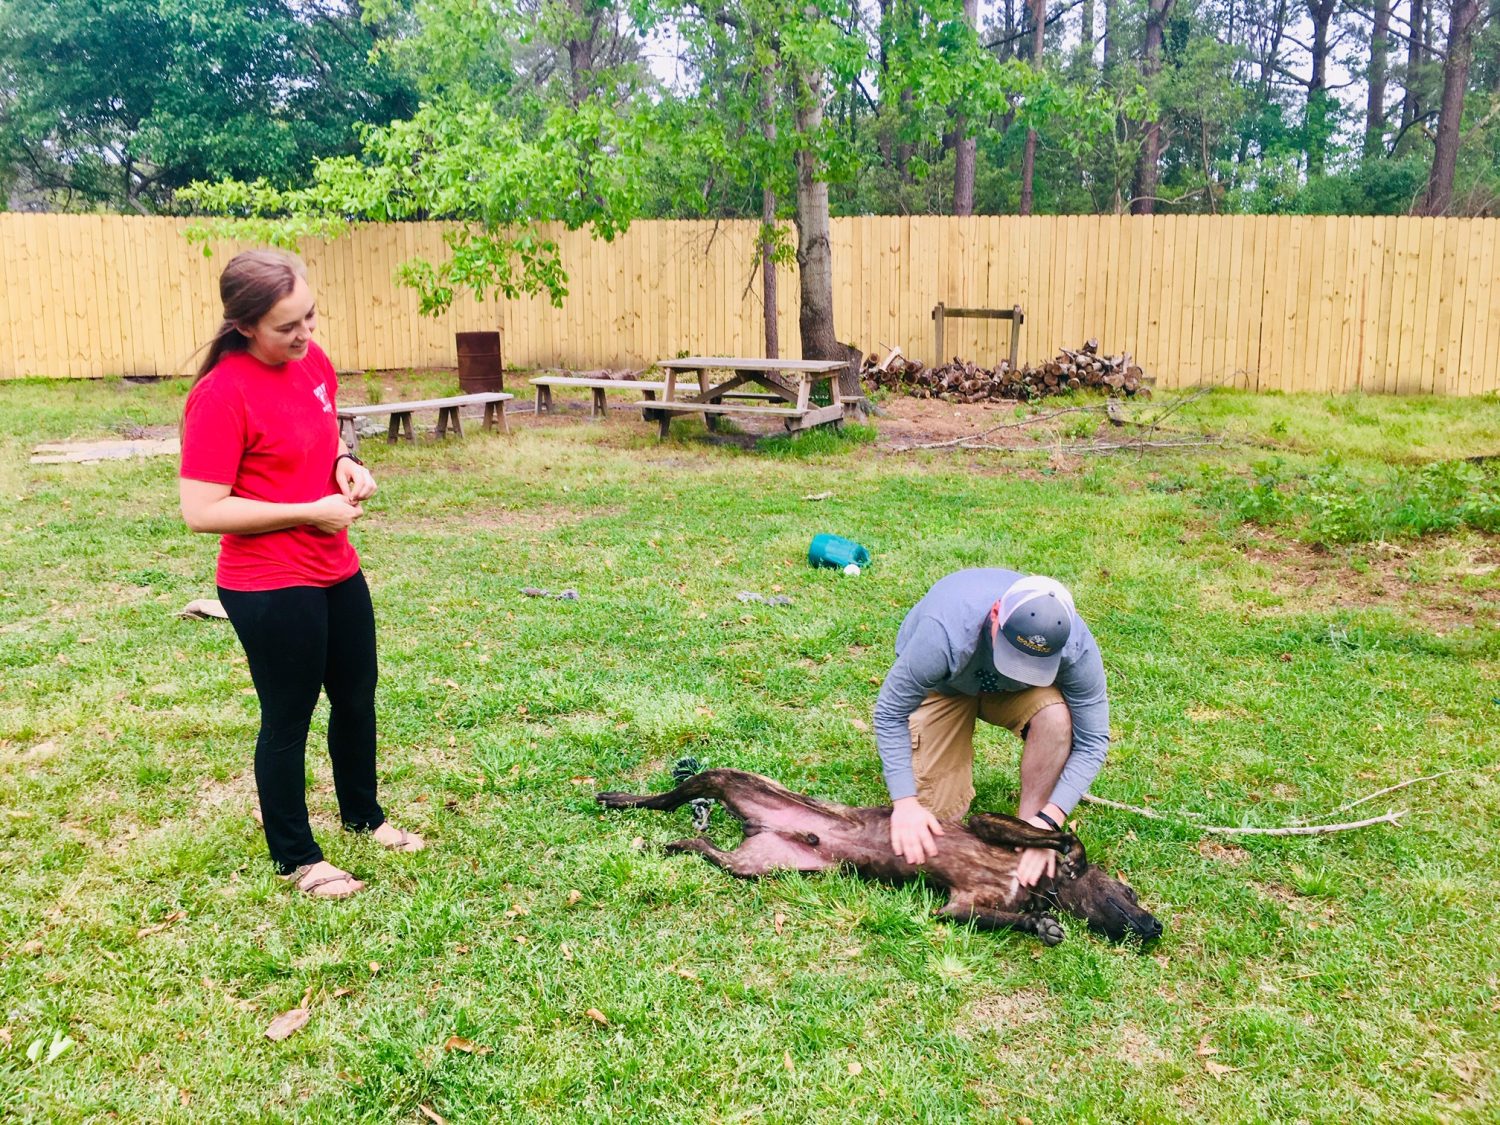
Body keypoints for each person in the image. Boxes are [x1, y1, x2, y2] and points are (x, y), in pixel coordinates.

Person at [179, 249, 424, 899]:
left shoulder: (311, 362)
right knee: (288, 716)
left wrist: (347, 462)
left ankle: (364, 817)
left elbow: (323, 430)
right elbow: (201, 509)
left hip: (333, 563)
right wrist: (308, 508)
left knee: (357, 693)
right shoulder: (220, 394)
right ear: (245, 326)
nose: (306, 334)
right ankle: (297, 857)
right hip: (265, 580)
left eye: (310, 316)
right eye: (288, 325)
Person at [873, 569, 1108, 891]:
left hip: (1013, 694)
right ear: (997, 614)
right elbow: (890, 712)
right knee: (937, 825)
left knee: (1056, 718)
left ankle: (1026, 826)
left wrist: (1046, 825)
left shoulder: (1074, 646)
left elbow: (1093, 741)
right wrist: (905, 803)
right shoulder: (943, 632)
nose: (1017, 664)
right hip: (945, 687)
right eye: (1014, 653)